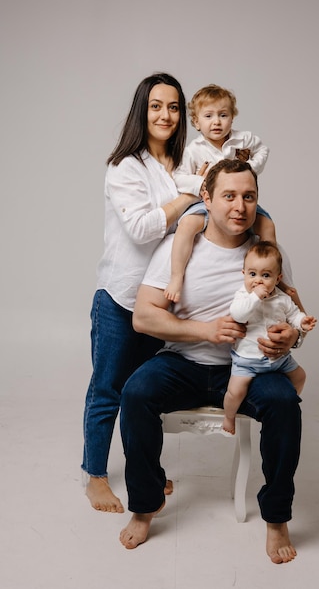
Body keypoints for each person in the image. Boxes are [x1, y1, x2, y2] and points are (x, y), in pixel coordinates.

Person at [119, 158, 303, 564]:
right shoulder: (178, 247)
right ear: (206, 198)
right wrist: (205, 331)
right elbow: (144, 316)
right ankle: (145, 504)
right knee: (135, 393)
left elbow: (295, 315)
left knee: (284, 403)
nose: (240, 206)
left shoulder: (269, 254)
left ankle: (276, 517)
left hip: (249, 366)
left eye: (249, 197)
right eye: (229, 196)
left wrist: (292, 337)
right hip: (183, 361)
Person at [81, 72, 198, 513]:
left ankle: (145, 472)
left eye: (172, 107)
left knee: (141, 395)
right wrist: (185, 201)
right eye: (156, 106)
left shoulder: (184, 164)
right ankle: (94, 476)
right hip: (118, 297)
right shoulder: (124, 166)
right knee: (107, 390)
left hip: (160, 301)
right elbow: (143, 228)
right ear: (141, 111)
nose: (165, 114)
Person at [164, 84, 303, 310]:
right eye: (208, 116)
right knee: (187, 225)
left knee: (267, 225)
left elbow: (263, 151)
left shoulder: (242, 139)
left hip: (238, 202)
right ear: (197, 122)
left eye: (223, 115)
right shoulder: (194, 149)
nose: (216, 122)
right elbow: (179, 176)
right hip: (204, 203)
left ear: (232, 118)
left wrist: (250, 168)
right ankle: (176, 276)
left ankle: (275, 278)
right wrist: (201, 184)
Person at [222, 240, 317, 435]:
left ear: (277, 278)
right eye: (252, 274)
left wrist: (302, 322)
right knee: (235, 392)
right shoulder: (243, 296)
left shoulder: (282, 298)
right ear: (244, 274)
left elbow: (293, 315)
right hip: (247, 359)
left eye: (266, 275)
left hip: (278, 359)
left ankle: (292, 400)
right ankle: (228, 417)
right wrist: (255, 297)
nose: (258, 280)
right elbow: (238, 315)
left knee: (300, 376)